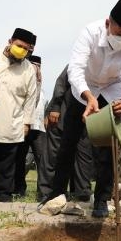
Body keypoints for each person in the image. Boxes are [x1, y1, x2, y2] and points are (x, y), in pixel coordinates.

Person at [49, 0, 121, 218]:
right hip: (83, 90)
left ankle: (101, 199)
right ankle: (55, 195)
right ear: (108, 22)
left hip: (111, 90)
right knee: (68, 144)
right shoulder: (89, 33)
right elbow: (75, 69)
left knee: (107, 148)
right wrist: (88, 96)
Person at [0, 28, 37, 203]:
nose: (21, 51)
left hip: (12, 123)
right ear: (10, 41)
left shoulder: (28, 70)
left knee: (5, 163)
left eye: (26, 49)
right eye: (19, 46)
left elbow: (30, 99)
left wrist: (27, 123)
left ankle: (1, 192)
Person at [40, 65, 94, 202]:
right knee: (53, 155)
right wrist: (55, 107)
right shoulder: (80, 61)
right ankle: (47, 191)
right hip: (62, 114)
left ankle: (82, 191)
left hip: (86, 118)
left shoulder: (111, 68)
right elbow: (61, 83)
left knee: (84, 154)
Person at [13, 55, 47, 198]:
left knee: (43, 160)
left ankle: (43, 192)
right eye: (33, 65)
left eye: (38, 66)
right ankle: (18, 189)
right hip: (24, 126)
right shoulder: (23, 85)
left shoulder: (43, 91)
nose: (36, 69)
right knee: (20, 159)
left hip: (39, 129)